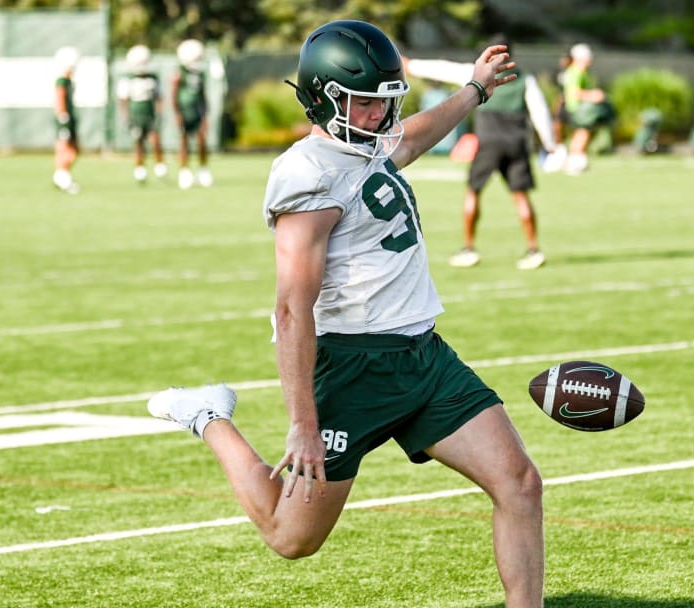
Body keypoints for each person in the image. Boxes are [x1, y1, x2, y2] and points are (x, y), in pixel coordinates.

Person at [147, 20, 545, 608]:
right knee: (290, 537)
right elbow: (290, 308)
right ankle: (207, 416)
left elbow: (411, 137)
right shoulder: (307, 174)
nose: (380, 117)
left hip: (423, 357)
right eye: (365, 104)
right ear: (323, 98)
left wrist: (475, 89)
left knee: (520, 483)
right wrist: (302, 422)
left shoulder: (368, 142)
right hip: (351, 368)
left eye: (386, 103)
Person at [404, 34, 554, 270]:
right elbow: (540, 111)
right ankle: (533, 249)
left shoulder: (476, 73)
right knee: (521, 196)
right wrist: (549, 142)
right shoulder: (525, 79)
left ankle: (469, 248)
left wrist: (411, 65)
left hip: (488, 142)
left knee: (473, 193)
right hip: (516, 143)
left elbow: (444, 69)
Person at [561, 43, 615, 175]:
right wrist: (592, 95)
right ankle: (574, 162)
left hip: (582, 109)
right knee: (582, 133)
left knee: (585, 134)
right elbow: (574, 92)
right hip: (578, 109)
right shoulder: (575, 72)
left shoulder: (583, 72)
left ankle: (578, 159)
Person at [117, 44, 167, 184]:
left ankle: (159, 164)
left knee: (155, 139)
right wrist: (125, 116)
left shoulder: (153, 78)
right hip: (136, 113)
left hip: (149, 112)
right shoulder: (127, 78)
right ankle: (140, 167)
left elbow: (159, 97)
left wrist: (159, 113)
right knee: (138, 141)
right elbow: (123, 99)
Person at [171, 39, 213, 189]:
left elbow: (202, 95)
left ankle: (203, 170)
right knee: (184, 141)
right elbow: (174, 96)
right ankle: (184, 171)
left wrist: (205, 114)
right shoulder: (179, 73)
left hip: (197, 112)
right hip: (184, 111)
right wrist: (177, 114)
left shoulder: (200, 74)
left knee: (202, 140)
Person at [52, 46, 80, 194]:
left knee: (75, 149)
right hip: (65, 118)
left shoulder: (68, 81)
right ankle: (61, 176)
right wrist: (63, 116)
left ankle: (61, 175)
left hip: (69, 118)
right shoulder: (62, 81)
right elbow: (59, 98)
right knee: (65, 148)